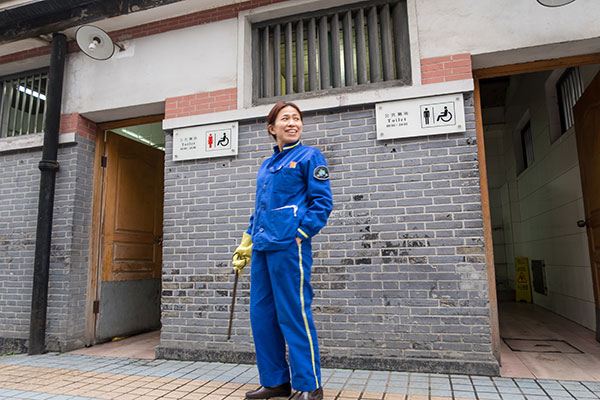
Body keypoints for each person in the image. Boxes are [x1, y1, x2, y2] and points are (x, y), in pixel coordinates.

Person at [232, 101, 333, 400]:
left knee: (293, 315)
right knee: (261, 315)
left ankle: (309, 385)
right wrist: (246, 243)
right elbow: (260, 209)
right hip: (263, 247)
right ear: (271, 128)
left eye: (297, 119)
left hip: (290, 247)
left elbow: (322, 204)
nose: (293, 123)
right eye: (285, 118)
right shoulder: (267, 165)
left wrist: (301, 234)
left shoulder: (310, 156)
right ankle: (275, 381)